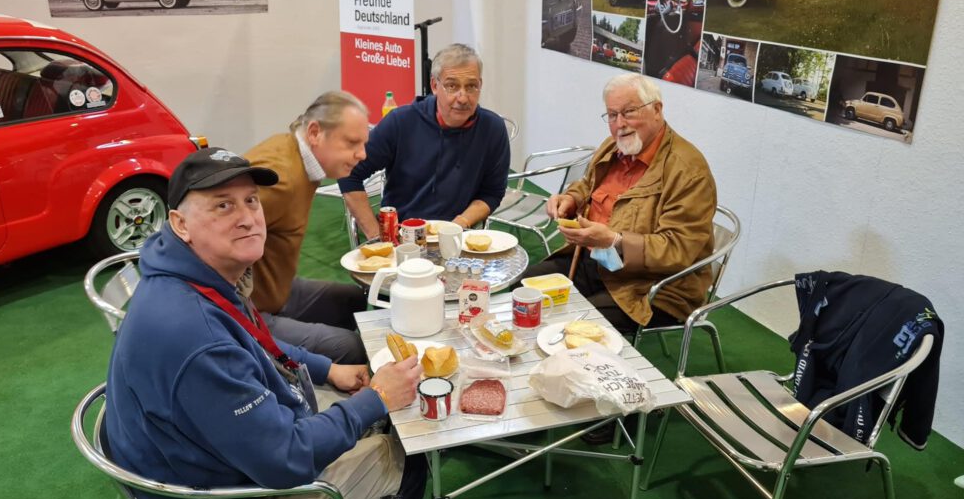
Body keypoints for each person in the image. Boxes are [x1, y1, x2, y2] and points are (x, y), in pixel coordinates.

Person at [105, 148, 425, 499]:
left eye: (251, 201)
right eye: (223, 206)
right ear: (180, 223)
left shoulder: (192, 275)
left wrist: (329, 369)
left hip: (206, 459)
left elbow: (255, 343)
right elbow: (285, 459)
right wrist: (375, 399)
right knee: (409, 458)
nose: (247, 218)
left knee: (375, 415)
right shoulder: (196, 335)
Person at [529, 72, 717, 340]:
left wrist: (615, 241)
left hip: (649, 286)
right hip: (594, 261)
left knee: (570, 332)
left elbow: (678, 249)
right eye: (612, 115)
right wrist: (570, 199)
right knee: (523, 294)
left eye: (629, 112)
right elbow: (588, 184)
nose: (620, 125)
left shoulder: (688, 170)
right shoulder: (614, 147)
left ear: (657, 110)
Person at [244, 91, 371, 364]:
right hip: (248, 311)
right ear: (315, 133)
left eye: (363, 143)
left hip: (276, 289)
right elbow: (207, 249)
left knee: (363, 300)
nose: (362, 154)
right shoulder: (281, 181)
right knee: (358, 349)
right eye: (352, 143)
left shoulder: (294, 151)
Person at [338, 43, 511, 237]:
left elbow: (492, 192)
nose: (462, 98)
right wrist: (376, 236)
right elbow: (348, 172)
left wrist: (459, 224)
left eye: (471, 86)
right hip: (403, 236)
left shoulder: (492, 129)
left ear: (480, 85)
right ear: (435, 86)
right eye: (452, 86)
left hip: (457, 235)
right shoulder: (401, 122)